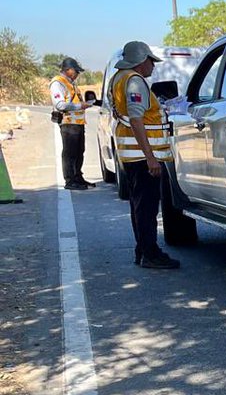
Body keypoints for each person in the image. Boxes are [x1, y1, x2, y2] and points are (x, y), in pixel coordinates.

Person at [107, 40, 180, 270]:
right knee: (147, 208)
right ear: (140, 62)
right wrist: (150, 158)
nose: (153, 66)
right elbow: (137, 120)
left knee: (139, 206)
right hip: (142, 157)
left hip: (132, 156)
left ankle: (143, 250)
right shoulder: (135, 82)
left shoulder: (118, 78)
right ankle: (149, 253)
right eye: (151, 61)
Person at [50, 56, 93, 189]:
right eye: (76, 71)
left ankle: (78, 177)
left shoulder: (70, 83)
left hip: (78, 123)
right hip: (68, 123)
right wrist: (80, 106)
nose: (78, 74)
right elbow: (60, 105)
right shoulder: (58, 83)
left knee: (80, 151)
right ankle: (70, 180)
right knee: (70, 153)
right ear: (68, 70)